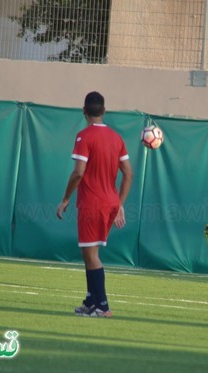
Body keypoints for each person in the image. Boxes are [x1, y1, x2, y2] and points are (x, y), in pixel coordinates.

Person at [56, 91, 133, 318]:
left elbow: (78, 173)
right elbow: (128, 174)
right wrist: (119, 204)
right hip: (109, 203)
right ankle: (91, 301)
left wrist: (66, 198)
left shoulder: (84, 136)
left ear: (84, 111)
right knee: (88, 252)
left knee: (91, 255)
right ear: (104, 111)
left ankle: (102, 306)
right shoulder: (116, 137)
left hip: (92, 203)